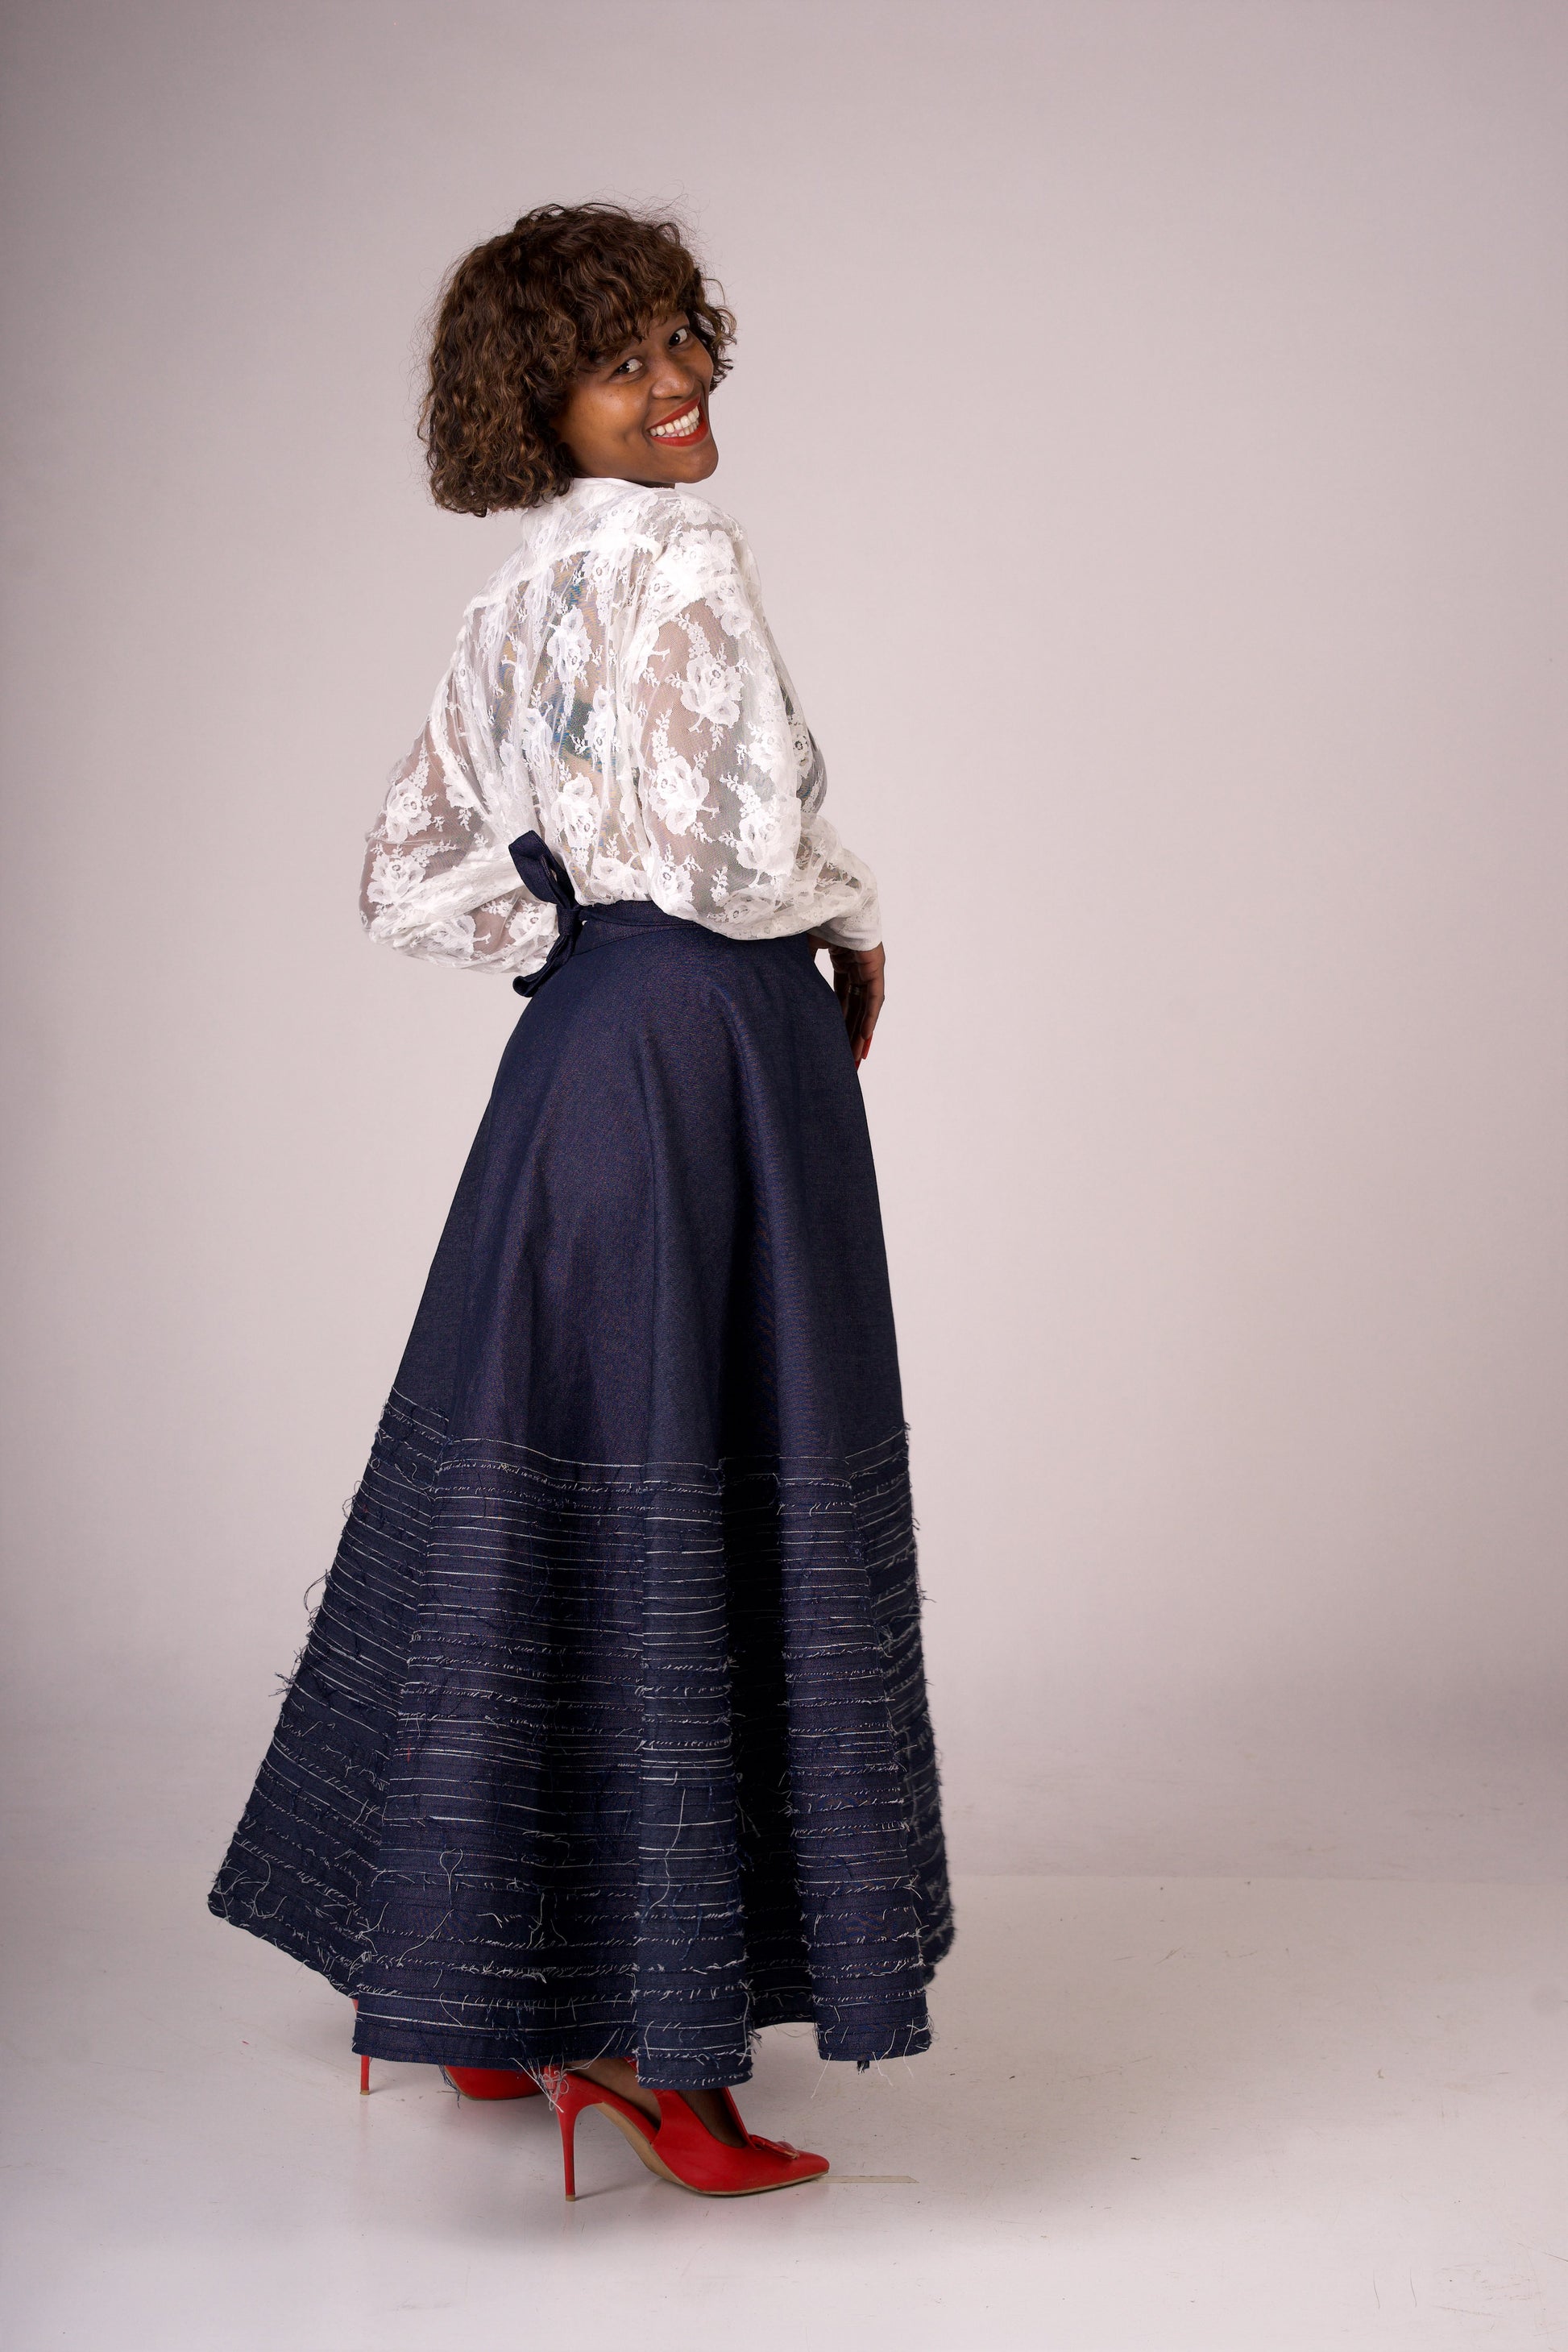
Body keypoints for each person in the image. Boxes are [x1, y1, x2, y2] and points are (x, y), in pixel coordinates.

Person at [209, 201, 952, 2201]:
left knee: (558, 1478)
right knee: (693, 1485)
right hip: (712, 1057)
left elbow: (414, 867)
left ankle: (480, 1994)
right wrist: (854, 911)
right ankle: (650, 2055)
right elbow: (731, 851)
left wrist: (572, 941)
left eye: (682, 335)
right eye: (621, 360)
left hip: (582, 1065)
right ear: (536, 402)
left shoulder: (516, 593)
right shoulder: (680, 558)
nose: (675, 379)